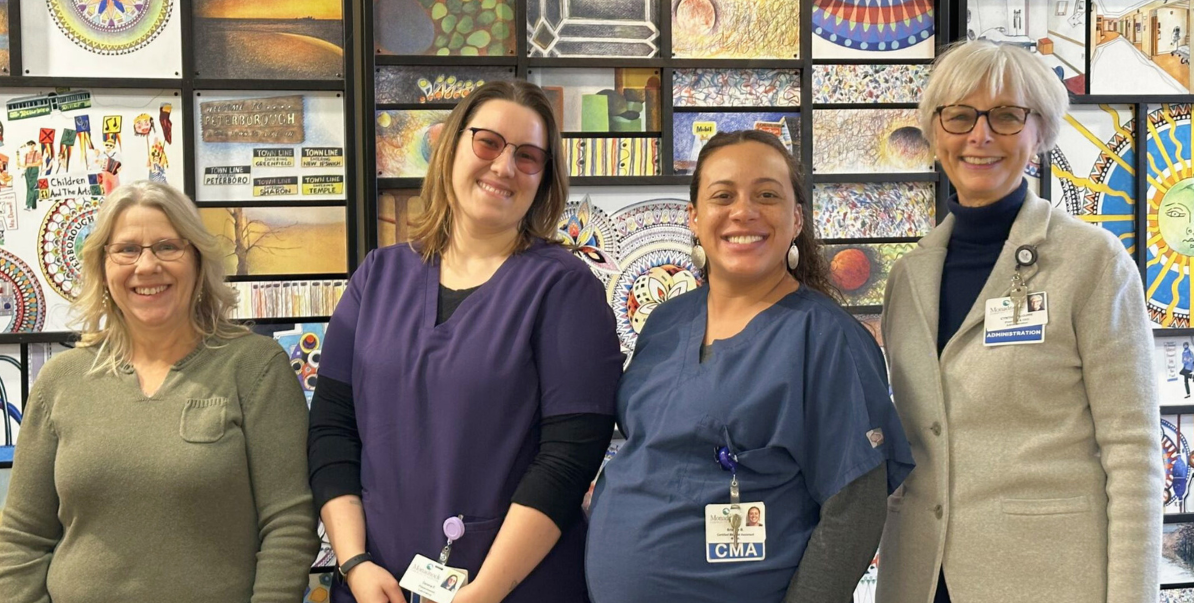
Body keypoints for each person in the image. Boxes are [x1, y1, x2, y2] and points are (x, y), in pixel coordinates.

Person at [309, 80, 621, 603]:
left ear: (543, 180)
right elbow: (332, 431)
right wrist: (355, 563)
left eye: (527, 157)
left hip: (514, 589)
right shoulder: (378, 276)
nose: (503, 167)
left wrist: (486, 592)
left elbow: (568, 460)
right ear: (451, 147)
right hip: (376, 586)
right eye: (488, 143)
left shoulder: (566, 289)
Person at [875, 40, 1162, 603]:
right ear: (935, 135)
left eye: (1007, 116)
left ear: (1040, 134)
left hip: (1045, 579)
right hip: (919, 577)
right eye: (959, 116)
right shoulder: (908, 277)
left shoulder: (1093, 262)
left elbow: (1133, 454)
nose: (980, 136)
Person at [586, 130, 914, 603]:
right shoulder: (667, 320)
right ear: (694, 218)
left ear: (796, 217)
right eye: (723, 195)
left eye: (767, 195)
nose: (744, 211)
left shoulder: (826, 338)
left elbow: (854, 511)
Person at [0, 180, 319, 602]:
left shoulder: (255, 368)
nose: (146, 266)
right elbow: (22, 536)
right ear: (103, 266)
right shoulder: (62, 380)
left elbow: (288, 524)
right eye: (127, 249)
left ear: (198, 262)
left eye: (168, 247)